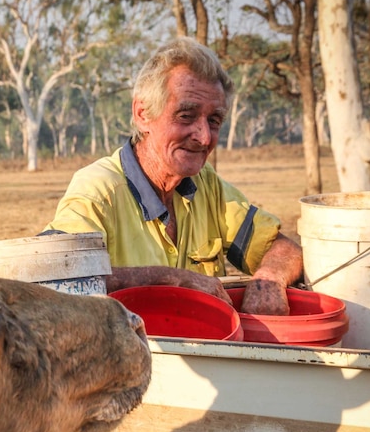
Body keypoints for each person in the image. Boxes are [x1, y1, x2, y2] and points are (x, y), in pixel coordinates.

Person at [42, 37, 303, 315]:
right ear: (142, 114)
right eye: (186, 116)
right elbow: (56, 277)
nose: (203, 137)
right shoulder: (98, 189)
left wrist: (269, 279)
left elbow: (283, 249)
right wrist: (171, 280)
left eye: (214, 120)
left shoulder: (206, 184)